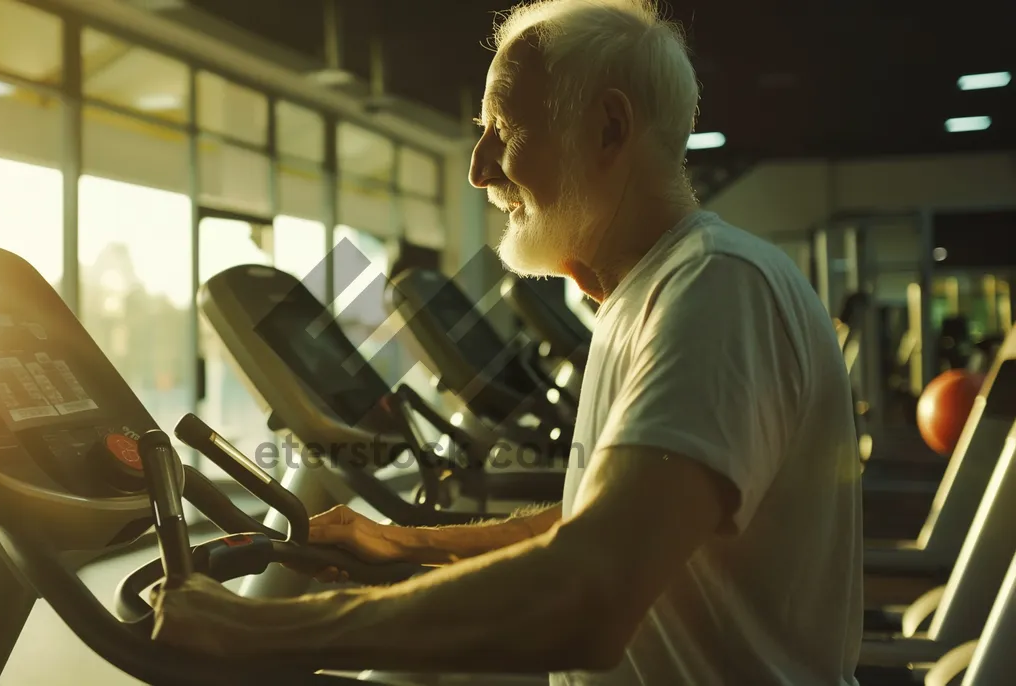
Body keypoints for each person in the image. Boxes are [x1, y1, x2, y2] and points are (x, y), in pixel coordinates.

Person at [152, 1, 864, 684]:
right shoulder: (651, 292)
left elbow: (588, 591)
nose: (479, 167)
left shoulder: (715, 288)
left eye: (503, 129)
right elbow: (606, 523)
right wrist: (408, 541)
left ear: (609, 130)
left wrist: (263, 631)